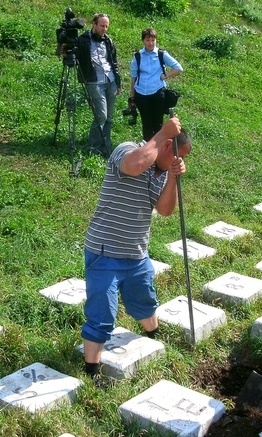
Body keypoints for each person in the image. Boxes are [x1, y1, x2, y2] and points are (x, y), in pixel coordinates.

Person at [82, 117, 191, 383]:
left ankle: (153, 336)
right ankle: (91, 372)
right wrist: (162, 131)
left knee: (144, 299)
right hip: (105, 251)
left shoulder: (162, 173)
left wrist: (173, 178)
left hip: (137, 254)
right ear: (167, 146)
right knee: (102, 313)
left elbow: (165, 210)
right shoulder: (127, 150)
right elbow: (133, 166)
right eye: (178, 154)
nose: (179, 159)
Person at [76, 13, 122, 158]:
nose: (104, 29)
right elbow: (72, 56)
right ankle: (93, 146)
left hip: (111, 81)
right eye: (102, 26)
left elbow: (114, 62)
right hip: (94, 81)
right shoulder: (82, 40)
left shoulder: (108, 41)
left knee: (109, 117)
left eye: (106, 26)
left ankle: (105, 147)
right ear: (94, 24)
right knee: (101, 115)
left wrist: (118, 83)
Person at [129, 28, 183, 142]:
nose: (151, 43)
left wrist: (166, 75)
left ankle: (159, 149)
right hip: (141, 94)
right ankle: (147, 149)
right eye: (148, 40)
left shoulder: (161, 54)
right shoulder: (138, 56)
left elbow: (178, 68)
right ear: (143, 41)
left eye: (153, 40)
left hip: (157, 93)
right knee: (146, 123)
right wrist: (132, 98)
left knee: (158, 123)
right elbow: (133, 78)